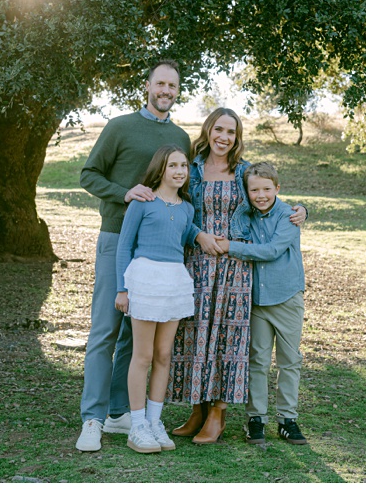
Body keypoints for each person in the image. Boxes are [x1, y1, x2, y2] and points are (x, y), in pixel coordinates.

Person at [77, 60, 218, 453]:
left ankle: (121, 411)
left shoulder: (178, 136)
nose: (166, 91)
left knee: (131, 338)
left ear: (176, 91)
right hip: (116, 237)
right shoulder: (119, 126)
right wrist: (125, 192)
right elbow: (89, 175)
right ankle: (92, 417)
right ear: (148, 86)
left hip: (158, 252)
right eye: (160, 83)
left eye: (173, 86)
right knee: (106, 328)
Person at [168, 108, 306, 444]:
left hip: (235, 267)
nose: (224, 137)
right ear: (208, 130)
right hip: (199, 261)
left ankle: (218, 412)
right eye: (219, 130)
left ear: (237, 137)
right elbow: (179, 204)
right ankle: (197, 409)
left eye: (231, 132)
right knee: (196, 335)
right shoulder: (194, 167)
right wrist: (198, 235)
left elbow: (268, 198)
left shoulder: (243, 171)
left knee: (228, 340)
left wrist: (301, 210)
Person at [115, 145, 199, 453]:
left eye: (184, 166)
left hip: (174, 280)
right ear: (161, 169)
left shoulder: (187, 206)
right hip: (145, 279)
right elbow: (125, 246)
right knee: (143, 356)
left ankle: (154, 421)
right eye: (173, 165)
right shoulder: (144, 201)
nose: (179, 171)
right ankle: (137, 425)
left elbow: (186, 232)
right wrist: (121, 290)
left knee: (164, 354)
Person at [216, 162, 307, 446]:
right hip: (257, 300)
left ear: (277, 189)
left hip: (287, 297)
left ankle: (287, 419)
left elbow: (271, 251)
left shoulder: (289, 216)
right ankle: (255, 419)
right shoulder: (246, 215)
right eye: (254, 190)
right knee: (257, 360)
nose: (261, 195)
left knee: (289, 360)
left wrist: (231, 247)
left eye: (267, 189)